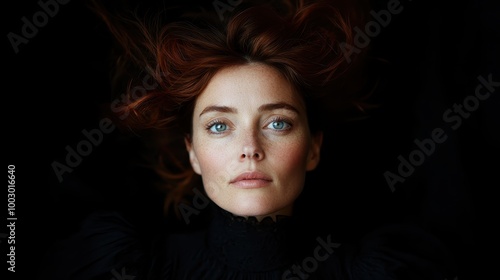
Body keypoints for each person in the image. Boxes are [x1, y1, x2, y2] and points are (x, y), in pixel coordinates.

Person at [37, 0, 459, 279]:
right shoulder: (126, 266)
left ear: (313, 148)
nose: (250, 148)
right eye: (219, 126)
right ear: (193, 152)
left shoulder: (384, 271)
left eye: (278, 123)